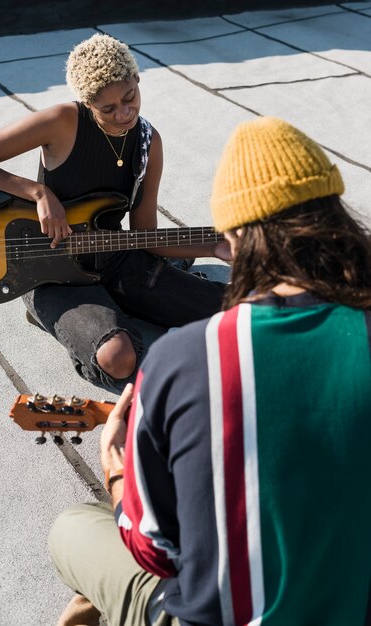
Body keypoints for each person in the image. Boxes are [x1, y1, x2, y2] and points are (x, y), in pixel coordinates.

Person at [48, 116, 371, 626]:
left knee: (72, 528)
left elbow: (155, 550)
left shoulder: (184, 362)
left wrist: (115, 469)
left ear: (232, 238)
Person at [0, 34, 227, 389]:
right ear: (87, 103)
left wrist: (214, 246)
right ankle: (65, 319)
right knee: (117, 356)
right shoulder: (62, 121)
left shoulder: (147, 143)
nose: (123, 113)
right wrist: (37, 192)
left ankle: (123, 302)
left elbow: (147, 235)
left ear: (137, 81)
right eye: (107, 109)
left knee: (235, 310)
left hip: (114, 259)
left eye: (129, 99)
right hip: (44, 273)